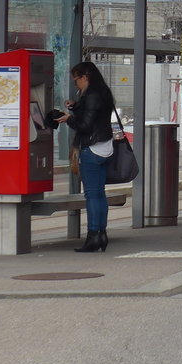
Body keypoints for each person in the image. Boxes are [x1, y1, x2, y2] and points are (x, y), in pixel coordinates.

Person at [55, 61, 116, 253]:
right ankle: (102, 234)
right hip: (105, 147)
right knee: (100, 194)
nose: (76, 84)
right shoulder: (103, 92)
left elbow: (85, 126)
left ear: (85, 77)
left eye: (76, 80)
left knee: (91, 195)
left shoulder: (91, 95)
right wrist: (75, 107)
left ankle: (93, 236)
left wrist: (69, 119)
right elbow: (95, 116)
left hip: (92, 149)